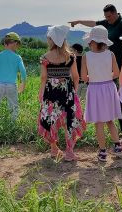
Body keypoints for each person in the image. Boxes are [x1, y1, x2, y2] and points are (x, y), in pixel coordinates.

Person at [38, 25, 86, 162]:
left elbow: (43, 78)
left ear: (52, 40)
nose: (47, 40)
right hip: (67, 92)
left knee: (50, 118)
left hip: (50, 93)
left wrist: (41, 92)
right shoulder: (71, 56)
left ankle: (54, 149)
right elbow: (76, 77)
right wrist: (73, 92)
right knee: (69, 120)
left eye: (49, 38)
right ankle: (69, 151)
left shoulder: (45, 57)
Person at [81, 25, 122, 162]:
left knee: (98, 122)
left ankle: (103, 152)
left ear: (92, 41)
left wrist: (95, 77)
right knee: (110, 120)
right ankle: (117, 146)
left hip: (94, 89)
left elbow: (83, 77)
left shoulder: (86, 56)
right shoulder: (110, 54)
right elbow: (116, 73)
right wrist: (105, 76)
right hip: (109, 88)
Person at [69, 4, 122, 69]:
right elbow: (94, 23)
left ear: (115, 13)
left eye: (109, 16)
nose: (107, 19)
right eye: (105, 17)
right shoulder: (108, 22)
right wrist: (79, 22)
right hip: (113, 59)